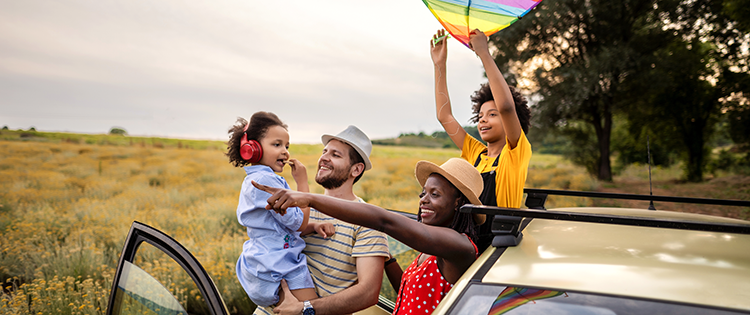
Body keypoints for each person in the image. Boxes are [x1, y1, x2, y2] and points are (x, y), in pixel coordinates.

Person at [253, 158, 484, 315]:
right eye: (423, 193)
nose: (424, 199)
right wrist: (388, 258)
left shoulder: (460, 247)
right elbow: (412, 290)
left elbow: (384, 221)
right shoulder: (431, 249)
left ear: (458, 203)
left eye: (435, 194)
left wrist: (309, 198)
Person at [255, 125, 390, 315]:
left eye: (335, 155)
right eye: (324, 151)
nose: (324, 158)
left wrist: (305, 309)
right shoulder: (302, 207)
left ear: (356, 169)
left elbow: (368, 293)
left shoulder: (367, 220)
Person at [430, 29, 532, 252]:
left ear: (510, 120)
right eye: (481, 116)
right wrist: (440, 64)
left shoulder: (515, 151)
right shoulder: (475, 152)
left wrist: (484, 53)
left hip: (498, 247)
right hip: (467, 242)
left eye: (492, 115)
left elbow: (506, 106)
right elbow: (444, 116)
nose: (483, 120)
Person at [226, 112, 334, 307]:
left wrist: (314, 225)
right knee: (315, 310)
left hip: (263, 263)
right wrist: (302, 182)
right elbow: (298, 223)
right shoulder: (266, 181)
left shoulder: (256, 178)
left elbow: (280, 227)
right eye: (277, 145)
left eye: (286, 146)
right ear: (253, 149)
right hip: (282, 267)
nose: (285, 151)